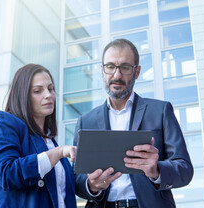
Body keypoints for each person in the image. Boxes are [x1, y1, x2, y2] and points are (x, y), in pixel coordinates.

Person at [73, 39, 193, 208]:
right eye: (110, 66)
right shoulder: (86, 121)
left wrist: (157, 170)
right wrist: (91, 186)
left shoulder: (160, 111)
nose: (117, 75)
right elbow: (76, 178)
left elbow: (185, 169)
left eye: (125, 67)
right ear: (102, 70)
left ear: (136, 72)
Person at [0, 64, 77, 208]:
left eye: (51, 89)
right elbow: (6, 173)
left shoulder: (50, 141)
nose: (48, 95)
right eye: (38, 91)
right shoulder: (2, 123)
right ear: (22, 95)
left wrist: (91, 184)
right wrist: (58, 153)